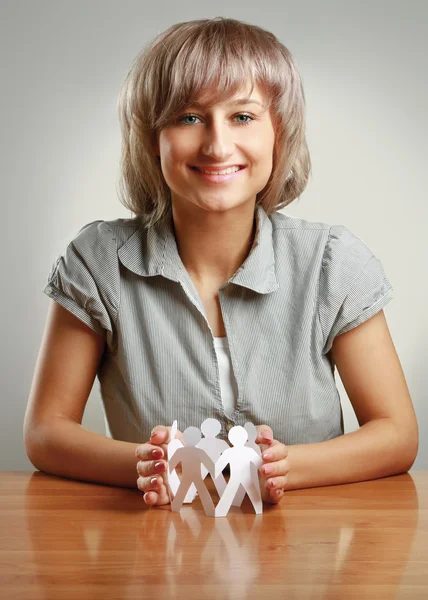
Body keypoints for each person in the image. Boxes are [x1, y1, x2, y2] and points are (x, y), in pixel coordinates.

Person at [24, 17, 418, 509]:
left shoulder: (332, 263)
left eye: (243, 117)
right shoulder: (98, 262)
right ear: (152, 138)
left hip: (303, 559)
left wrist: (288, 467)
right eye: (189, 117)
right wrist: (141, 466)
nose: (216, 145)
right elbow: (45, 433)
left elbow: (397, 434)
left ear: (280, 132)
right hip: (155, 558)